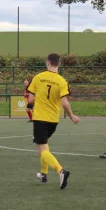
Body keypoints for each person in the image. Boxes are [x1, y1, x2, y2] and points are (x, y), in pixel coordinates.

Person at [27, 53, 80, 189]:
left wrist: (34, 103)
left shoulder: (38, 77)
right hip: (53, 120)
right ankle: (44, 174)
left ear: (47, 63)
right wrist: (72, 116)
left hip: (40, 118)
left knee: (41, 150)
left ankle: (61, 171)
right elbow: (65, 103)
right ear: (59, 64)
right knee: (45, 145)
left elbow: (31, 100)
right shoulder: (62, 81)